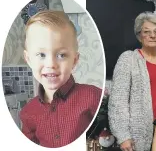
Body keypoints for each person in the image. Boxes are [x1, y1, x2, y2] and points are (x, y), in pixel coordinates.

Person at [19, 10, 102, 148]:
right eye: (41, 54)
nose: (51, 64)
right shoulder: (28, 112)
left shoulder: (93, 96)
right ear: (28, 59)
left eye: (61, 55)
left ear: (74, 60)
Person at [108, 11, 156, 151]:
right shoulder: (128, 58)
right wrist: (123, 136)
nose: (152, 35)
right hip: (140, 132)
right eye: (147, 31)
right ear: (139, 35)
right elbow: (118, 100)